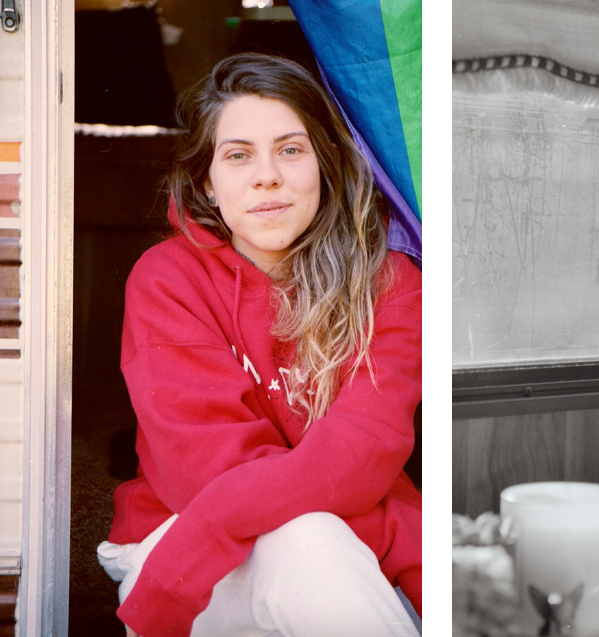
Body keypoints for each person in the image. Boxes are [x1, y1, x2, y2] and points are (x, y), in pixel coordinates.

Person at [94, 53, 422, 636]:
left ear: (324, 165)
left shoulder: (392, 285)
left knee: (317, 543)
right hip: (181, 540)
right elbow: (208, 475)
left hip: (298, 536)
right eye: (238, 155)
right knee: (311, 538)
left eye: (290, 150)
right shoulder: (167, 278)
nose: (266, 175)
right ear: (207, 184)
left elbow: (368, 447)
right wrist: (392, 527)